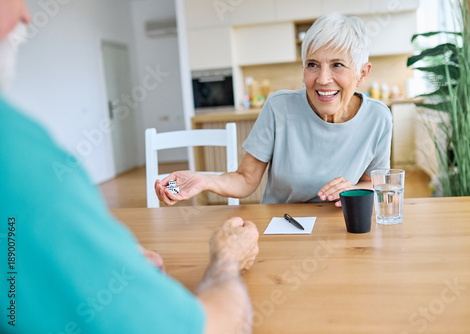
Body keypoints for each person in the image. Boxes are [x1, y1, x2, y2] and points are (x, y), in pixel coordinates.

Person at [0, 1, 259, 333]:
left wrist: (107, 256)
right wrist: (227, 260)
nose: (26, 15)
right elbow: (215, 326)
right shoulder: (22, 161)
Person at [155, 11, 392, 207]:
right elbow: (245, 179)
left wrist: (353, 189)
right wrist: (204, 179)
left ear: (362, 73)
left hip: (339, 224)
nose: (322, 79)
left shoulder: (378, 118)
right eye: (312, 65)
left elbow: (374, 182)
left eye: (337, 65)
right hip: (283, 224)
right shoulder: (279, 107)